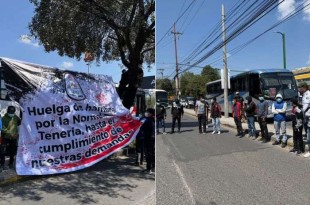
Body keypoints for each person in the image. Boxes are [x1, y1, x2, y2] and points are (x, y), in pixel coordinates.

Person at [140, 108, 155, 173]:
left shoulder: (148, 120)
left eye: (147, 112)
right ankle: (153, 167)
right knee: (151, 153)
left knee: (148, 154)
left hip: (147, 139)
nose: (146, 113)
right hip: (151, 139)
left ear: (150, 113)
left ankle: (148, 169)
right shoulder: (153, 119)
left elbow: (142, 128)